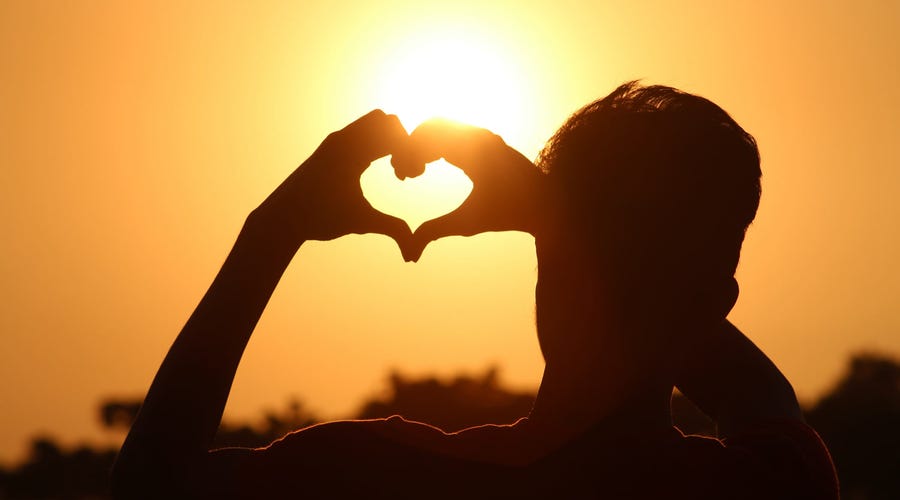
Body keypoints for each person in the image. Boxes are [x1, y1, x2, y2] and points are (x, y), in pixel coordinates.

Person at [111, 82, 839, 498]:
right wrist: (555, 215)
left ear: (545, 262)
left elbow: (149, 489)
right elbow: (755, 392)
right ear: (717, 302)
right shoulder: (772, 487)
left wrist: (270, 233)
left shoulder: (374, 477)